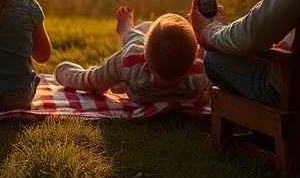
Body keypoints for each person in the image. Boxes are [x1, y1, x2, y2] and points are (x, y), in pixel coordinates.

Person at [54, 7, 210, 106]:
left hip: (137, 86)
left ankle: (126, 29)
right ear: (192, 63)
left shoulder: (132, 61)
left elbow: (91, 81)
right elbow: (213, 87)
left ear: (145, 61)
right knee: (149, 31)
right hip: (175, 88)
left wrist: (64, 73)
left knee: (135, 38)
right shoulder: (199, 74)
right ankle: (138, 33)